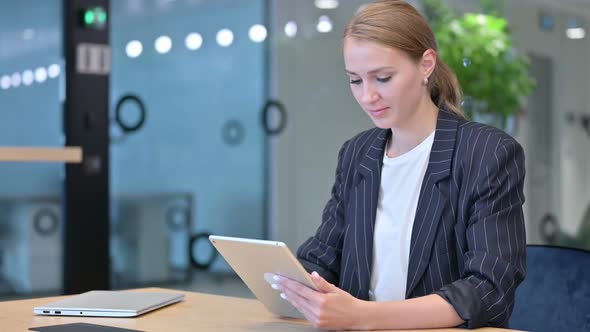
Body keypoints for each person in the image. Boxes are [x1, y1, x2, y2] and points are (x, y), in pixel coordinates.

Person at [272, 0, 526, 330]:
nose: (367, 96)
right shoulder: (357, 153)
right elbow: (323, 256)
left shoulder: (487, 153)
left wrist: (362, 316)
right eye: (355, 80)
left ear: (426, 65)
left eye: (382, 78)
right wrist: (287, 281)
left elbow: (488, 289)